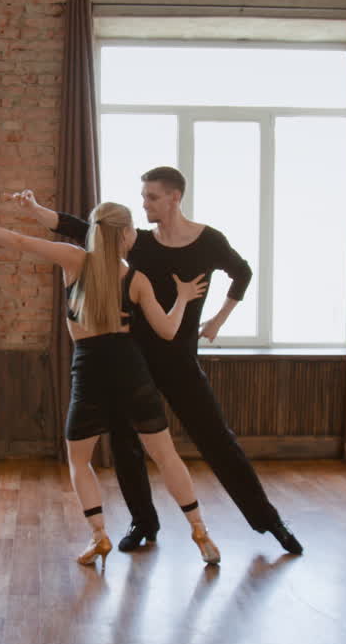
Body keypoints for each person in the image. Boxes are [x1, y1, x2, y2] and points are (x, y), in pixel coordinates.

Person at [15, 167, 304, 556]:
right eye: (144, 196)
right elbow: (82, 228)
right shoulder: (140, 244)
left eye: (151, 196)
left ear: (174, 197)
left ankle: (269, 521)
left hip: (180, 362)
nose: (144, 203)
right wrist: (36, 210)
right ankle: (143, 523)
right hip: (132, 362)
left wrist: (217, 320)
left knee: (218, 441)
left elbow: (243, 272)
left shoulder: (209, 241)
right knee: (125, 444)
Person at [0, 201, 222, 567]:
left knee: (79, 461)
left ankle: (99, 536)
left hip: (90, 372)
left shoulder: (73, 261)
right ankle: (200, 531)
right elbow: (168, 331)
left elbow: (18, 241)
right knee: (166, 456)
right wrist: (182, 298)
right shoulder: (136, 280)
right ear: (125, 235)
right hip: (130, 370)